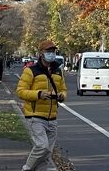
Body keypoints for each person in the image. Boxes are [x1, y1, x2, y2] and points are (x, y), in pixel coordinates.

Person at [16, 40, 67, 171]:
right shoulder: (31, 70)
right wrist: (38, 94)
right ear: (41, 53)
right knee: (42, 147)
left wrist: (61, 96)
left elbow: (63, 89)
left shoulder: (58, 71)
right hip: (36, 116)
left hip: (53, 118)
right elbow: (20, 91)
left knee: (47, 153)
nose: (51, 54)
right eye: (48, 51)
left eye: (53, 51)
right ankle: (26, 168)